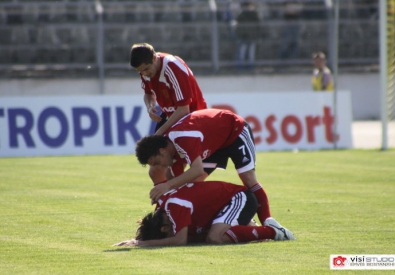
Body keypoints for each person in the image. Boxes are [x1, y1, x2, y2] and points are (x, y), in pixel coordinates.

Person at [135, 108, 273, 226]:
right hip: (214, 145)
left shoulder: (182, 137)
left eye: (157, 162)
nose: (160, 166)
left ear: (162, 151)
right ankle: (244, 220)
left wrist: (166, 186)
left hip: (234, 132)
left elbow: (197, 170)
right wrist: (161, 207)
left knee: (248, 179)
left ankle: (269, 223)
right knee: (190, 186)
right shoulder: (171, 151)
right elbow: (177, 188)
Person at [114, 180, 295, 247]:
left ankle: (274, 231)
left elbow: (180, 240)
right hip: (225, 206)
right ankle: (250, 228)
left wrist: (141, 243)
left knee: (215, 238)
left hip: (239, 198)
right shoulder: (166, 211)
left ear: (163, 228)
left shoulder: (174, 208)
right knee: (210, 236)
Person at [130, 43, 207, 183]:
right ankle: (166, 203)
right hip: (171, 117)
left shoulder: (172, 67)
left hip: (192, 118)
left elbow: (184, 109)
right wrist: (150, 106)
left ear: (154, 58)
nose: (145, 74)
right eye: (141, 72)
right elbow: (148, 94)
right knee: (156, 171)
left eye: (146, 69)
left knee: (182, 175)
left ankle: (182, 202)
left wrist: (160, 132)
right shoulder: (146, 71)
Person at [234, 1, 260, 70]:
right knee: (242, 51)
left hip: (252, 36)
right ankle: (240, 66)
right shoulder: (241, 15)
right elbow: (238, 25)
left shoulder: (254, 15)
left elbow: (258, 24)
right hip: (243, 36)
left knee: (251, 52)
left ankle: (251, 66)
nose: (248, 8)